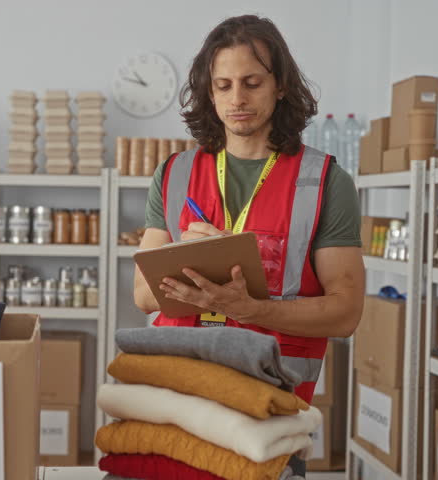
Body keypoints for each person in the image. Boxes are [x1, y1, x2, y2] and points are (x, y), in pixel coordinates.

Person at [134, 14, 365, 477]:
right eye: (222, 85)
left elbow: (346, 311)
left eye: (252, 82)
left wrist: (252, 307)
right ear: (209, 92)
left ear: (280, 86)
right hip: (181, 404)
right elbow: (143, 295)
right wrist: (194, 259)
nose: (236, 99)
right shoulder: (175, 173)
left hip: (270, 413)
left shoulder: (324, 182)